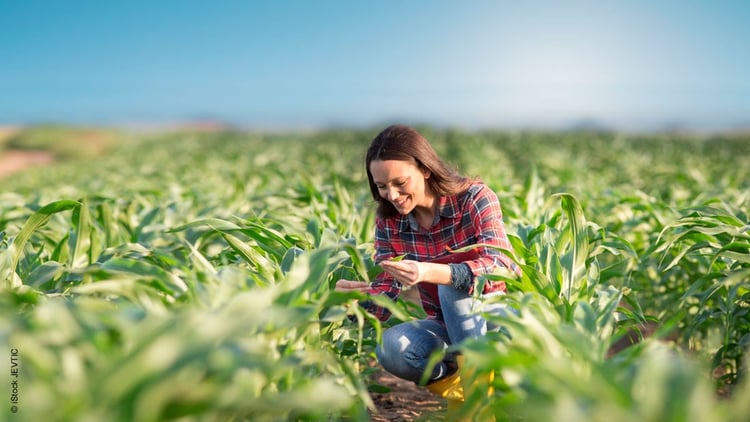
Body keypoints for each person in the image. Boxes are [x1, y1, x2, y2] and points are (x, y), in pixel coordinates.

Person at [335, 124, 519, 416]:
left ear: (425, 169)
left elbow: (503, 264)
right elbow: (385, 298)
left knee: (452, 284)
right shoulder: (390, 223)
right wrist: (345, 301)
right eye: (382, 187)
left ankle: (477, 408)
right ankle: (469, 388)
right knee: (393, 348)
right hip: (447, 326)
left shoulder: (474, 199)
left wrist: (429, 272)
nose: (392, 195)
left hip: (496, 320)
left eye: (400, 183)